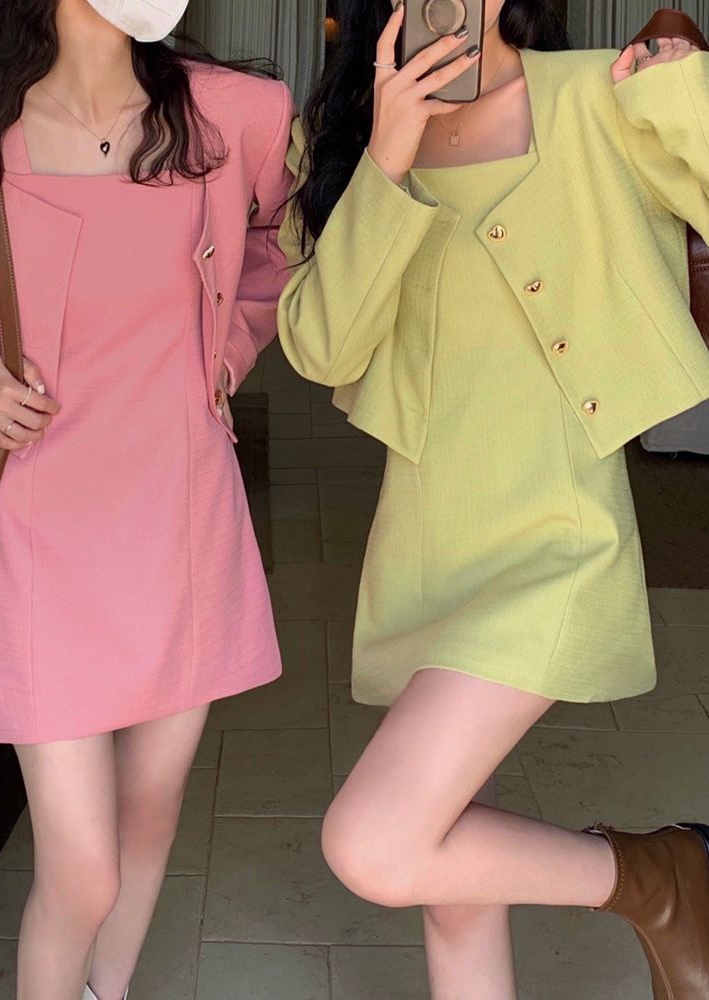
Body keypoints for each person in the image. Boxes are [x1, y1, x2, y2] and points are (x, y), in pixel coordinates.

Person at [277, 0, 709, 996]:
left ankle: (661, 878)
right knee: (452, 882)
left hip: (560, 539)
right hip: (425, 547)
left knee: (376, 840)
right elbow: (322, 347)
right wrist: (386, 155)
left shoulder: (598, 96)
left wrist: (682, 89)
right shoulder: (340, 134)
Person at [0, 0, 293, 997]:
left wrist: (225, 359)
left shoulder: (235, 114)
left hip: (181, 514)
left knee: (150, 816)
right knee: (82, 866)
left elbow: (280, 249)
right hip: (38, 523)